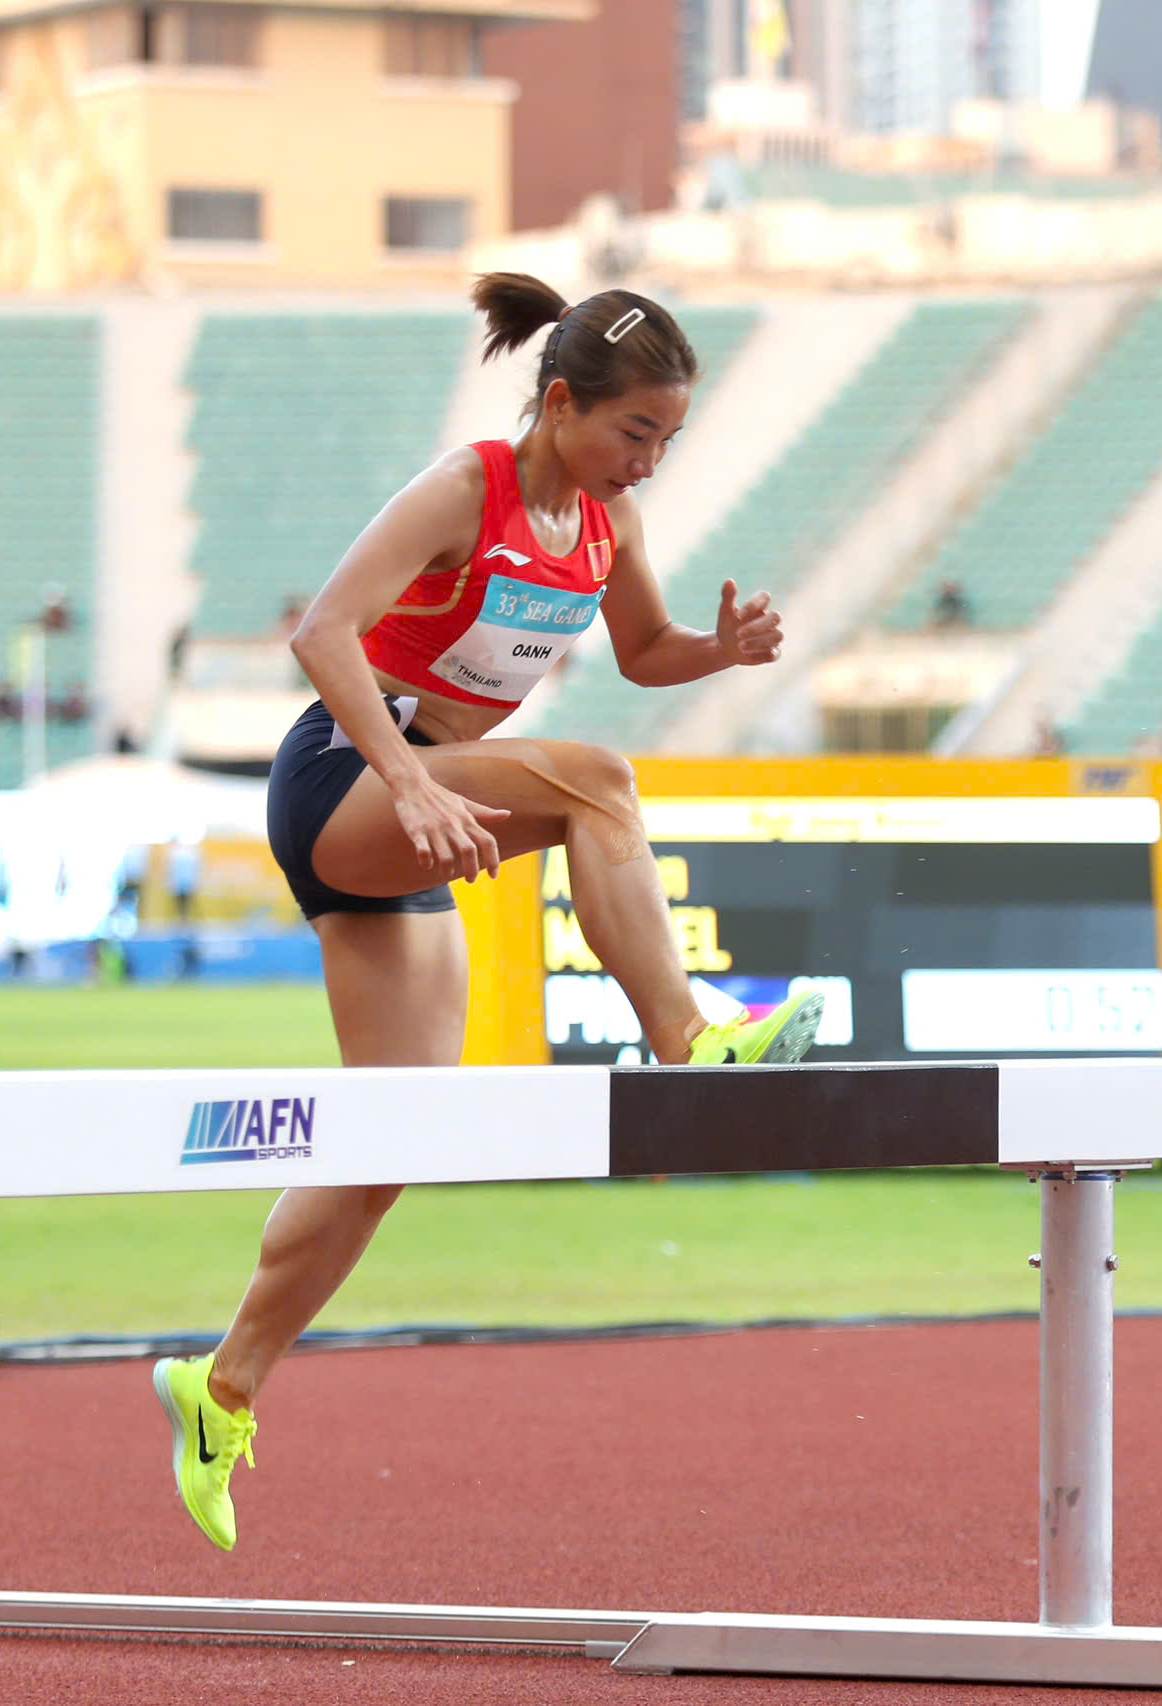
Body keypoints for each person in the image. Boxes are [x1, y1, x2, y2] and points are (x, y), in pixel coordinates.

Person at [150, 273, 822, 1556]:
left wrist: (719, 651)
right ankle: (686, 1041)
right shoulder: (470, 489)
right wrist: (405, 779)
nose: (650, 462)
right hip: (349, 777)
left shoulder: (605, 522)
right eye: (635, 434)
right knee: (599, 782)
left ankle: (221, 1387)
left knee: (391, 1139)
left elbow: (644, 653)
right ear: (561, 400)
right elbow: (322, 632)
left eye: (669, 442)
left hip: (429, 805)